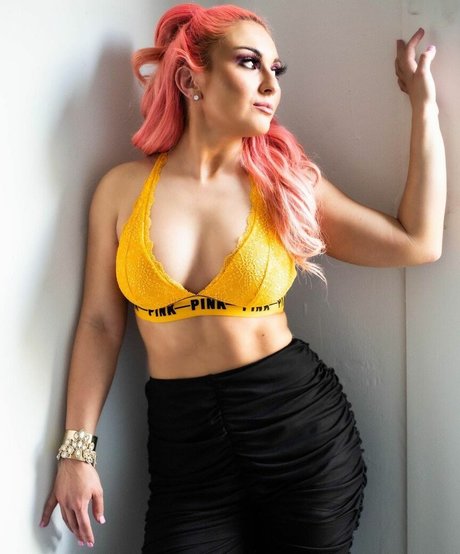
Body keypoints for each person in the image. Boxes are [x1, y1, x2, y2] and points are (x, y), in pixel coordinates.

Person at [39, 3, 446, 553]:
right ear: (190, 80)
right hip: (185, 451)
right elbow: (99, 324)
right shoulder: (120, 190)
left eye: (276, 69)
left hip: (299, 435)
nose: (270, 85)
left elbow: (417, 241)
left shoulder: (285, 183)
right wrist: (76, 452)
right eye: (250, 62)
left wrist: (424, 106)